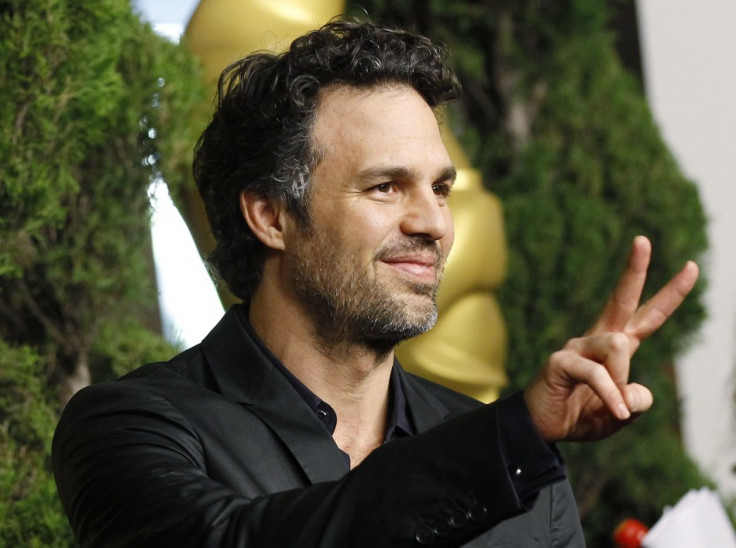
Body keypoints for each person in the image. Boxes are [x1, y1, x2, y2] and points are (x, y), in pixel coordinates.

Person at [52, 20, 699, 547]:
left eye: (439, 188)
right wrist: (514, 438)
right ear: (271, 214)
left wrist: (518, 441)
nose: (433, 224)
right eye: (386, 186)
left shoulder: (521, 462)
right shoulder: (134, 427)